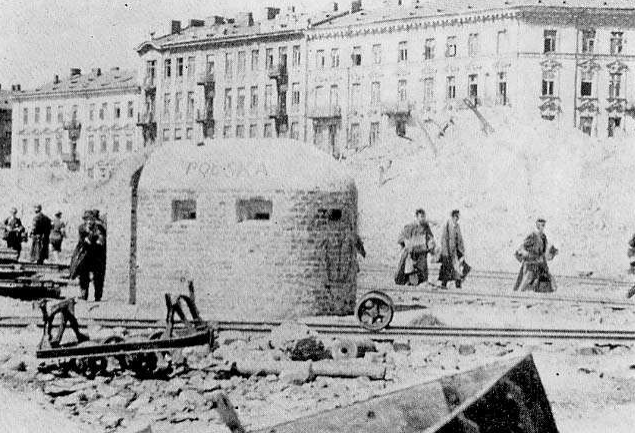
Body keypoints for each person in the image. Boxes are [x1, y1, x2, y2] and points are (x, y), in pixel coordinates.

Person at [513, 218, 558, 292]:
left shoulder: (543, 237)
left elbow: (545, 251)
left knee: (551, 282)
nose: (543, 227)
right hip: (531, 264)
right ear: (537, 225)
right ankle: (519, 294)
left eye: (544, 225)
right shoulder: (532, 235)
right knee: (528, 279)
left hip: (540, 263)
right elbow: (522, 248)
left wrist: (552, 252)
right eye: (542, 225)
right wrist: (527, 255)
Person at [70, 210, 106, 302]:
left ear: (94, 220)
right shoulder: (82, 228)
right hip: (84, 254)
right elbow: (84, 241)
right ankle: (84, 294)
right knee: (83, 275)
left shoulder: (99, 228)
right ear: (85, 220)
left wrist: (97, 238)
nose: (89, 221)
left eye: (91, 219)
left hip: (97, 255)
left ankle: (98, 295)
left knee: (98, 276)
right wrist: (91, 238)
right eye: (87, 219)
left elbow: (100, 241)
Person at [395, 209, 435, 286]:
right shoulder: (410, 227)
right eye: (421, 216)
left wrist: (431, 244)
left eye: (424, 216)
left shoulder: (426, 227)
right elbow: (400, 238)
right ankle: (407, 279)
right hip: (411, 254)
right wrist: (406, 242)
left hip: (422, 254)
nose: (423, 218)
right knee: (409, 269)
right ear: (417, 217)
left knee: (422, 275)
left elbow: (430, 238)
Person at [438, 210, 467, 289]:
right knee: (446, 269)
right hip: (447, 252)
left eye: (458, 216)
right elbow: (444, 239)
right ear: (453, 216)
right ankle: (443, 285)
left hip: (455, 252)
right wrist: (446, 252)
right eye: (456, 216)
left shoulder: (457, 226)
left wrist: (462, 251)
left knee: (457, 269)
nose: (457, 218)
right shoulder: (448, 225)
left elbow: (460, 239)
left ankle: (458, 285)